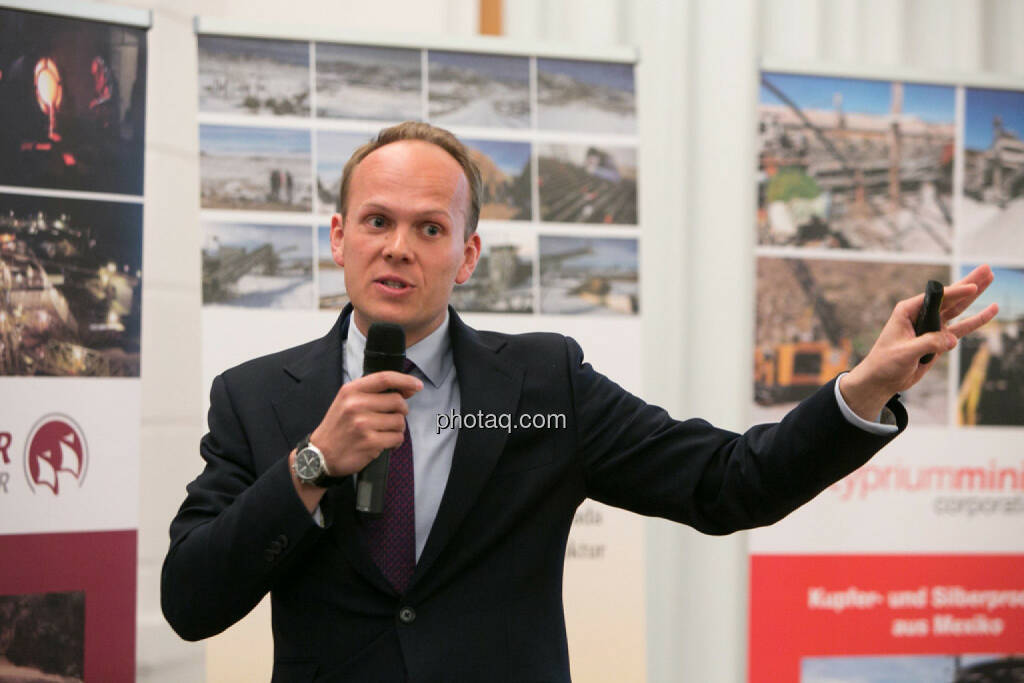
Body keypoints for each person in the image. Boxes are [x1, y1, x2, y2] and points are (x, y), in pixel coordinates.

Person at [161, 122, 998, 681]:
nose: (398, 247)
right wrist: (311, 466)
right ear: (339, 237)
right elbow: (190, 601)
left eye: (430, 228)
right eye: (377, 221)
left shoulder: (543, 383)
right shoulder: (254, 397)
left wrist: (865, 387)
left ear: (469, 256)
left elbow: (729, 481)